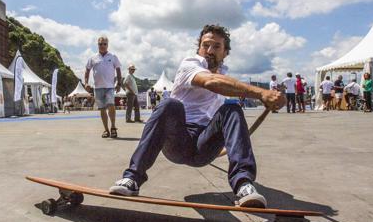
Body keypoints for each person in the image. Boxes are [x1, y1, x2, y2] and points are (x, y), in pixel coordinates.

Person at [109, 24, 286, 208]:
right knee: (169, 104)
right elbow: (210, 81)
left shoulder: (225, 76)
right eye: (205, 45)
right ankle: (132, 178)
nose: (209, 50)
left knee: (232, 109)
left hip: (204, 147)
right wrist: (261, 93)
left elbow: (224, 96)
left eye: (216, 46)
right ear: (199, 48)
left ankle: (244, 184)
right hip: (178, 140)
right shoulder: (190, 64)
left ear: (225, 52)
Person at [84, 35, 122, 138]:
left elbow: (118, 69)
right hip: (98, 87)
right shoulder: (93, 58)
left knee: (111, 105)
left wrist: (119, 83)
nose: (102, 46)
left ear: (107, 45)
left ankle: (113, 127)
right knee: (101, 109)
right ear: (98, 45)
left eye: (104, 44)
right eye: (100, 44)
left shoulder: (113, 56)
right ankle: (106, 130)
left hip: (110, 86)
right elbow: (87, 70)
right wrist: (86, 83)